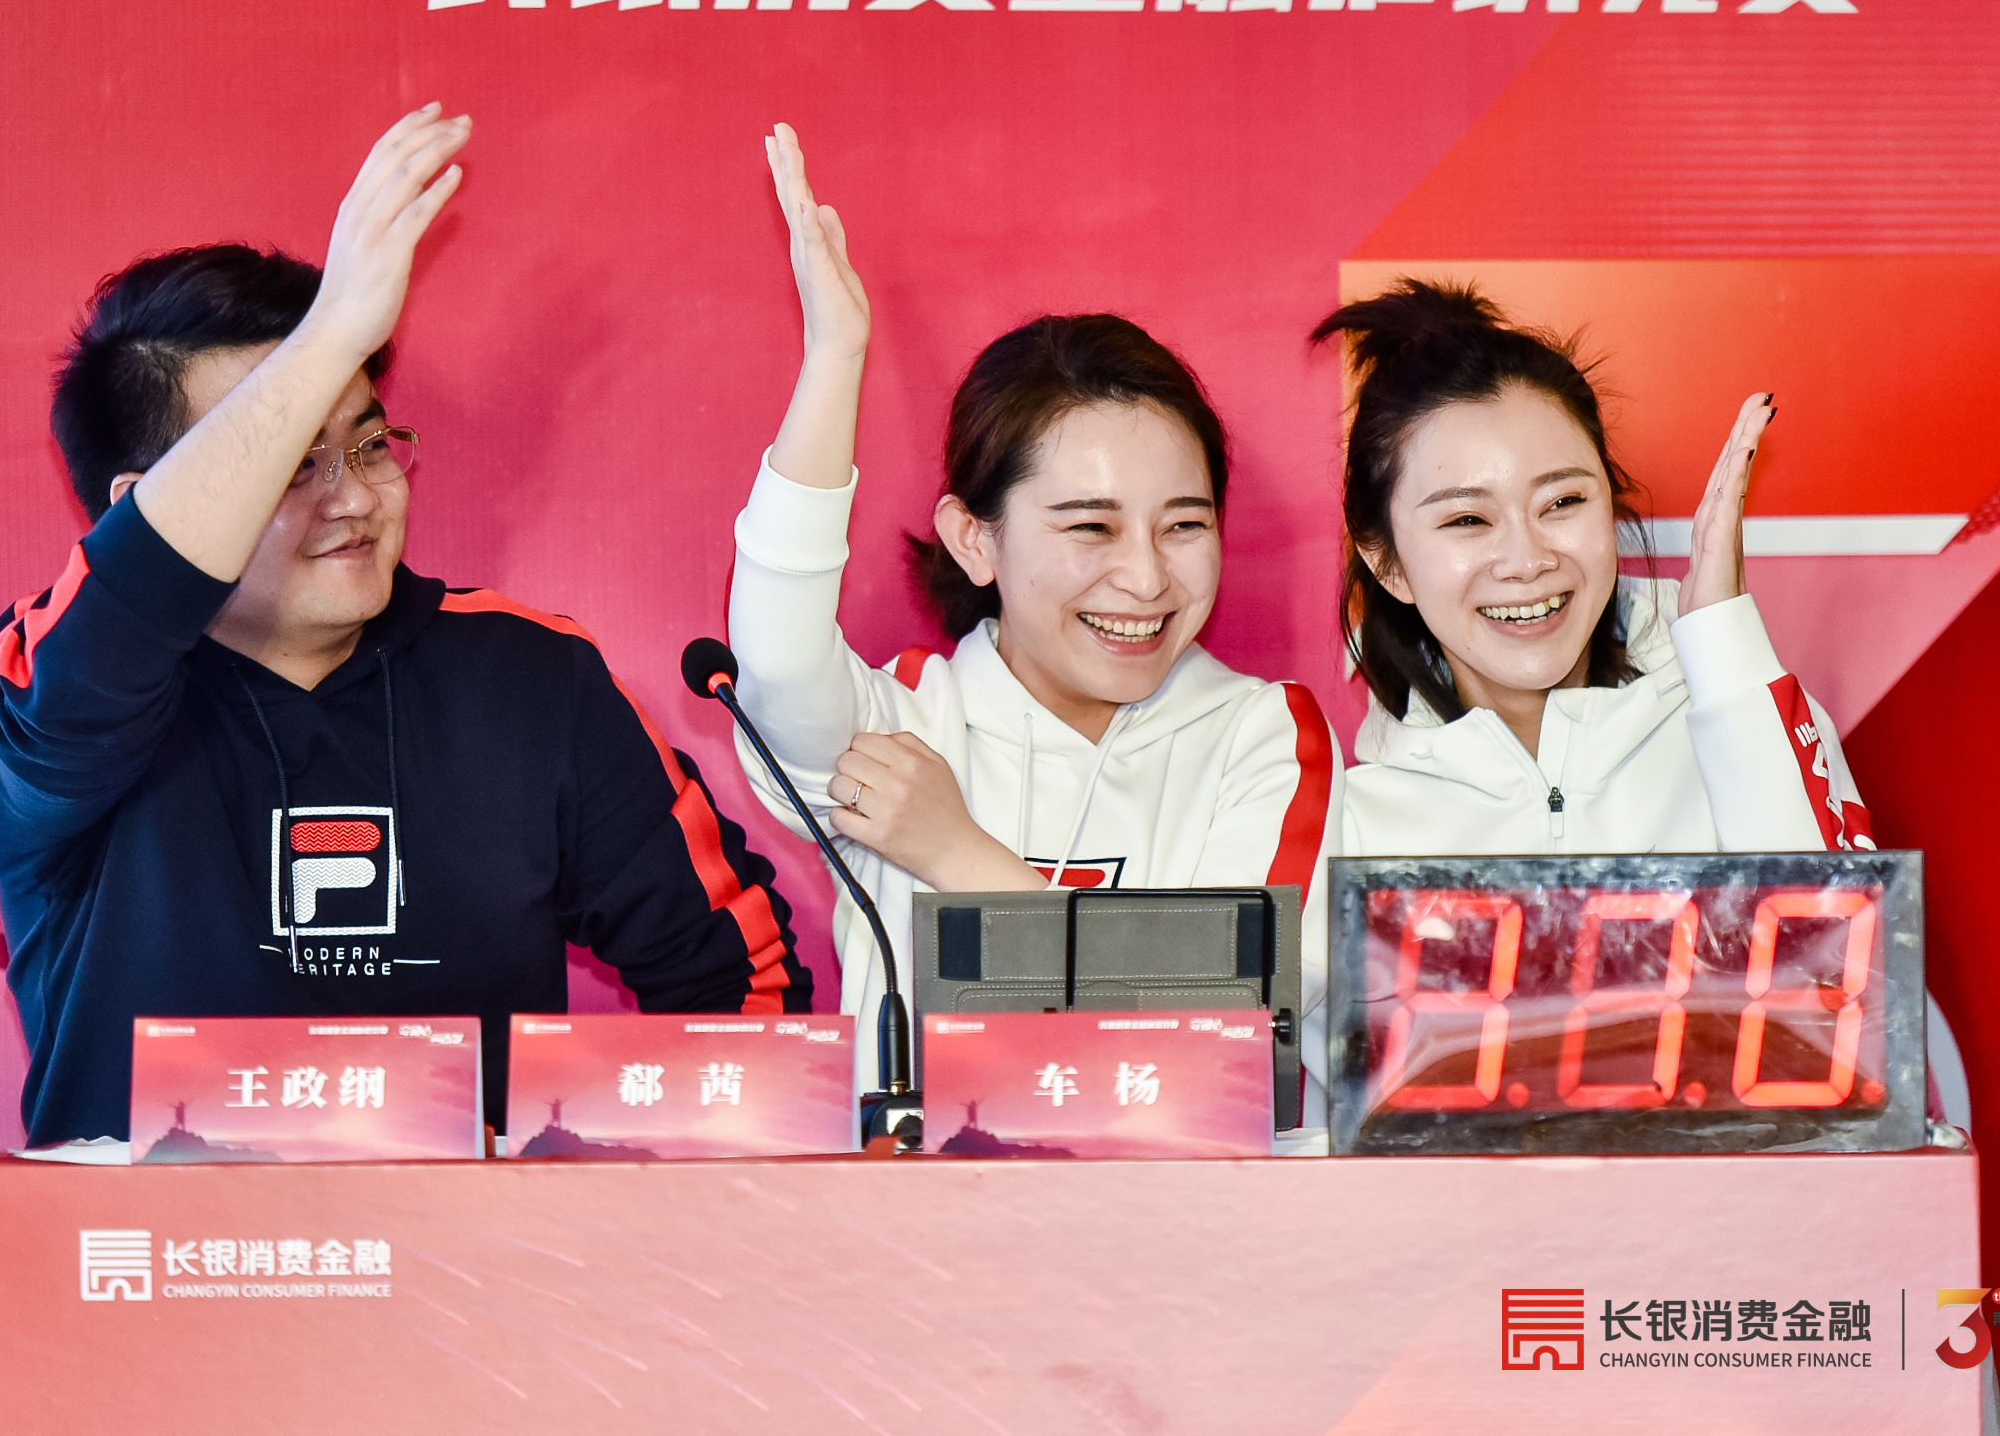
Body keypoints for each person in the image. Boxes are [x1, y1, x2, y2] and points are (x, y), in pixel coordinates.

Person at [0, 107, 808, 1147]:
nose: (356, 497)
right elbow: (119, 599)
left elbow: (743, 993)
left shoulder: (532, 681)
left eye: (366, 444)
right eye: (289, 464)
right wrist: (327, 337)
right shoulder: (46, 699)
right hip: (148, 1250)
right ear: (144, 502)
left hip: (470, 1255)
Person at [726, 126, 1341, 1103]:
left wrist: (953, 852)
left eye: (1184, 524)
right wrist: (835, 357)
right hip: (918, 1201)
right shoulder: (902, 725)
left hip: (1182, 1203)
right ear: (975, 540)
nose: (1145, 577)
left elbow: (1233, 1010)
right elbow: (776, 654)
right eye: (1090, 527)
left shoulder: (1260, 733)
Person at [1317, 278, 1875, 856]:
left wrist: (1724, 648)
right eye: (1466, 520)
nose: (1527, 561)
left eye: (1562, 502)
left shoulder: (1742, 712)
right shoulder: (1352, 832)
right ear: (1385, 562)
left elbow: (1832, 914)